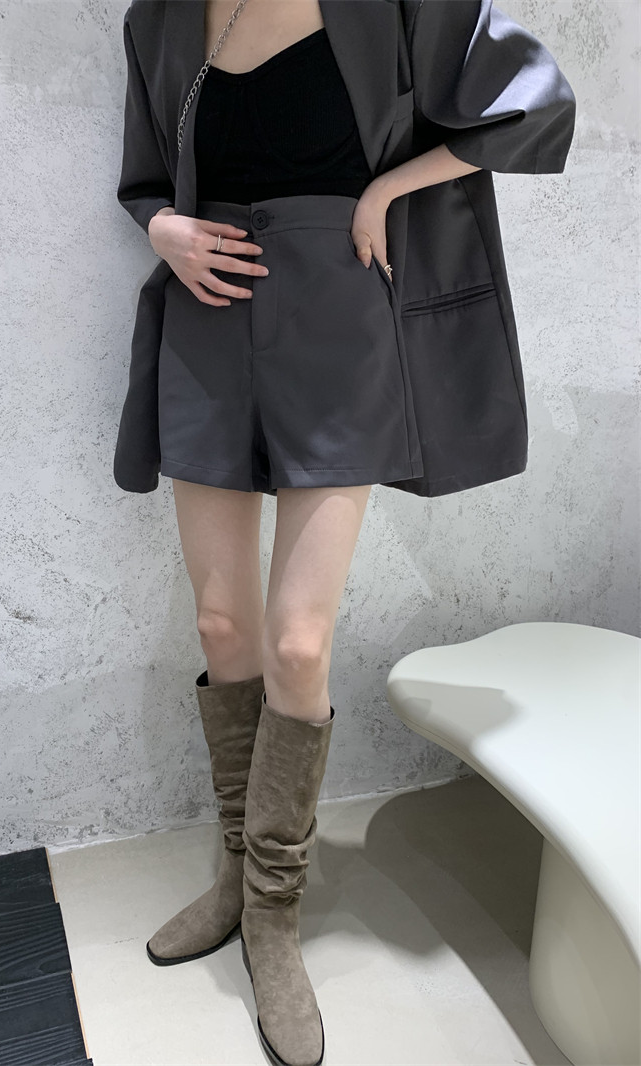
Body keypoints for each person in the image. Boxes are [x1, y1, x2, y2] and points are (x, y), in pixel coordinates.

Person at [115, 2, 575, 1064]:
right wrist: (161, 229)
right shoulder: (159, 19)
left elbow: (533, 105)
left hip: (340, 318)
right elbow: (144, 177)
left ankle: (273, 914)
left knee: (296, 640)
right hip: (207, 314)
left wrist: (386, 188)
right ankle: (234, 877)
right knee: (221, 625)